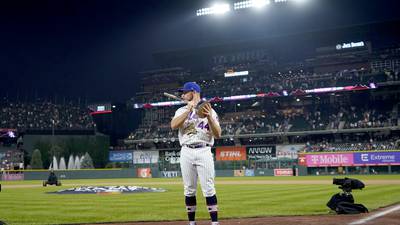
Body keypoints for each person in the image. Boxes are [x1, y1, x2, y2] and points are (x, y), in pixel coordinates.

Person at [171, 82, 221, 225]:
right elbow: (173, 125)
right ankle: (192, 223)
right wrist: (189, 110)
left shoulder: (210, 111)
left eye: (185, 92)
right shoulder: (181, 110)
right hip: (186, 150)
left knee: (209, 188)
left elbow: (217, 135)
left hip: (204, 150)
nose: (182, 95)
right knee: (189, 189)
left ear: (193, 92)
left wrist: (209, 117)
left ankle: (215, 223)